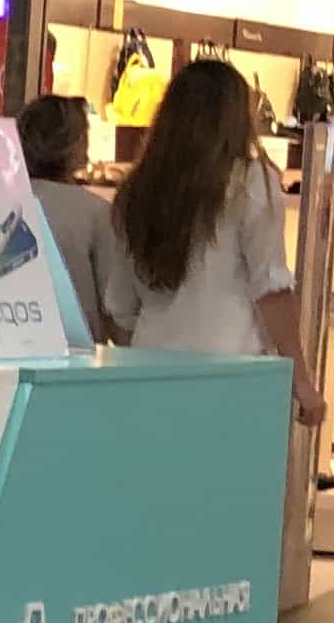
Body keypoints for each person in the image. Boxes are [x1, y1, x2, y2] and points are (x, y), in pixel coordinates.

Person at [101, 57, 314, 416]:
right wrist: (302, 381)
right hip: (231, 376)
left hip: (149, 374)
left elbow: (119, 306)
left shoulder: (137, 191)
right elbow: (271, 288)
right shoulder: (252, 182)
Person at [17, 94, 126, 345]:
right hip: (74, 353)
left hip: (8, 347)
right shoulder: (96, 212)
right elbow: (115, 309)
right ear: (75, 146)